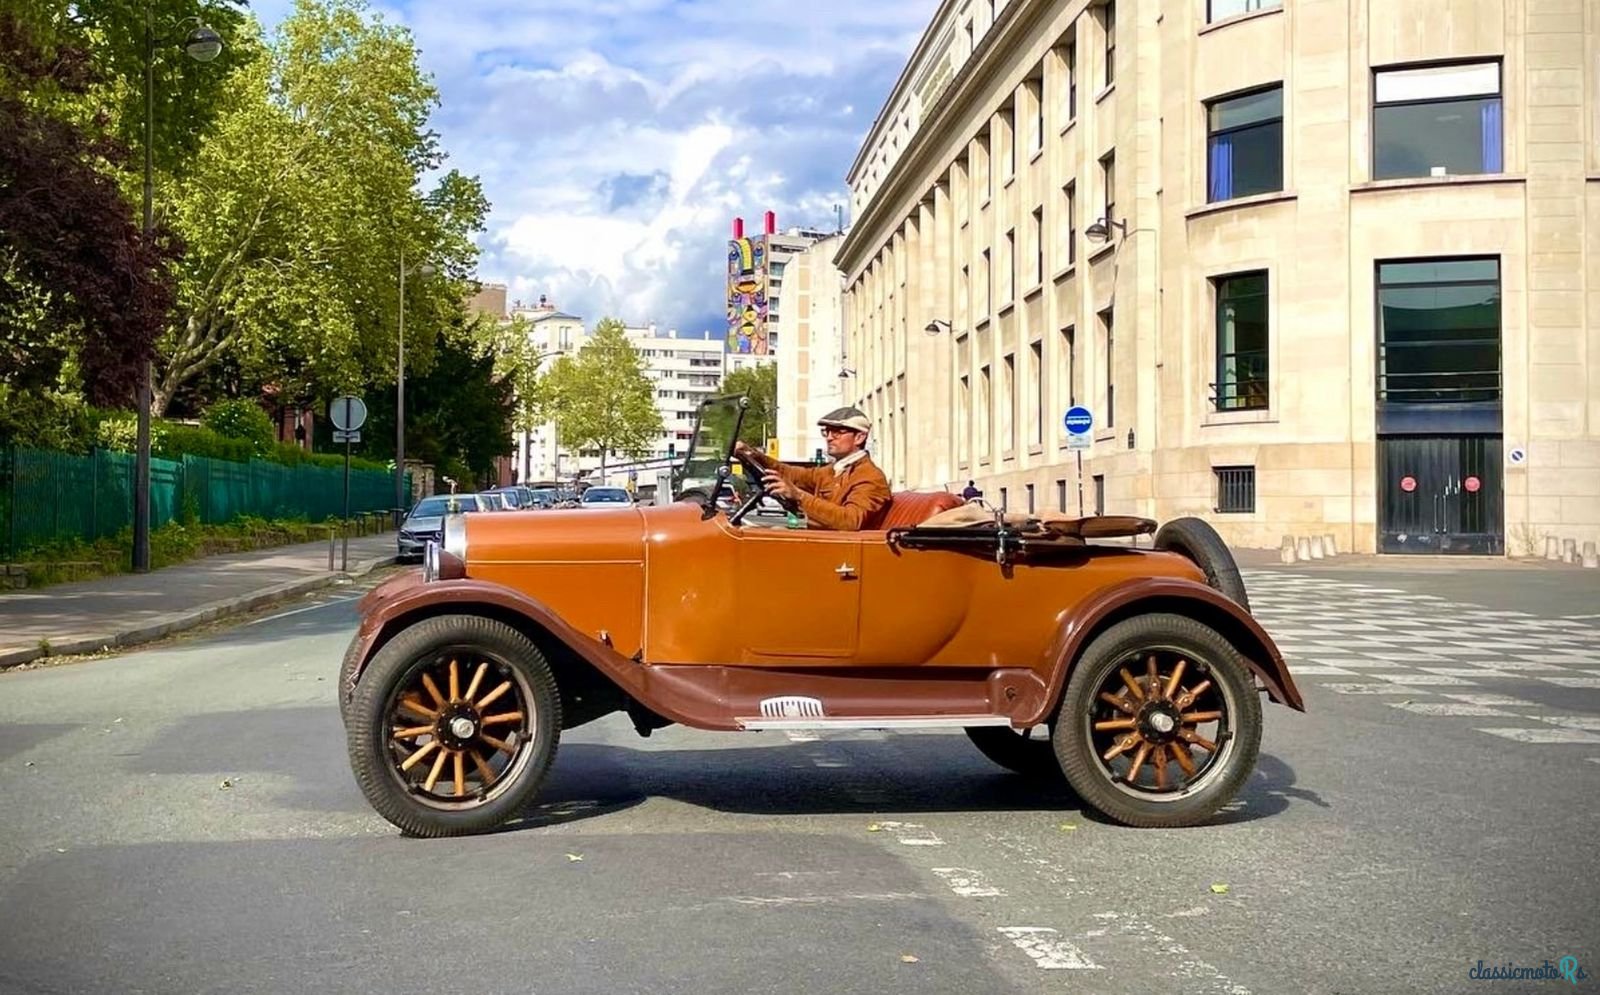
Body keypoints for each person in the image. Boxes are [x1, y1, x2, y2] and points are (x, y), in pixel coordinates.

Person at [733, 406, 891, 530]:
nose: (829, 437)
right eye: (827, 431)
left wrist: (798, 496)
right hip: (822, 541)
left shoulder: (870, 476)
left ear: (859, 437)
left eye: (837, 432)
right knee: (756, 531)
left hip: (842, 552)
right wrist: (753, 454)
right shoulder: (833, 470)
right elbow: (792, 474)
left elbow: (850, 521)